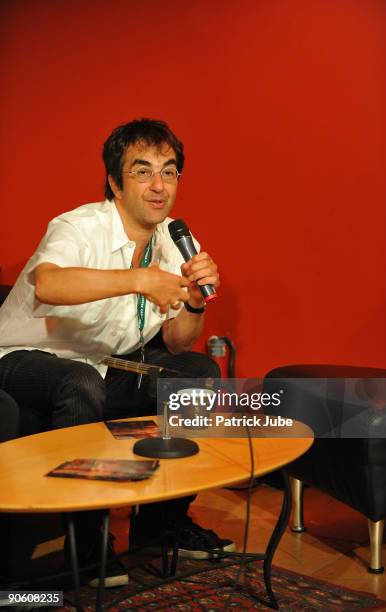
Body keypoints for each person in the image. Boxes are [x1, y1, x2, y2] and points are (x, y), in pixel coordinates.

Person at [0, 118, 234, 587]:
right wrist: (138, 279)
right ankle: (86, 547)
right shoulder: (79, 225)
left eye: (169, 172)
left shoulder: (174, 239)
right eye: (142, 171)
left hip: (105, 363)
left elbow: (178, 343)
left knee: (196, 371)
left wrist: (192, 300)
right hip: (23, 356)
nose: (158, 186)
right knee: (79, 382)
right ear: (114, 181)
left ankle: (161, 525)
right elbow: (49, 282)